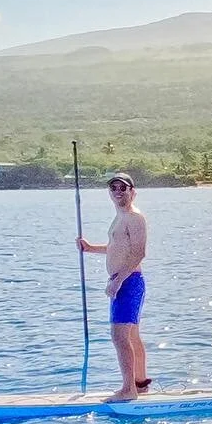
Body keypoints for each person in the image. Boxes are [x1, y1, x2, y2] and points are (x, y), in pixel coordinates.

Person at [77, 171, 149, 402]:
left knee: (120, 337)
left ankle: (128, 389)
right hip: (125, 282)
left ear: (132, 191)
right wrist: (90, 248)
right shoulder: (120, 217)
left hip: (128, 282)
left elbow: (139, 252)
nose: (118, 192)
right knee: (132, 335)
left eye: (123, 188)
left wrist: (118, 281)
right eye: (114, 188)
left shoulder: (134, 217)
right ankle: (139, 383)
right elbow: (117, 248)